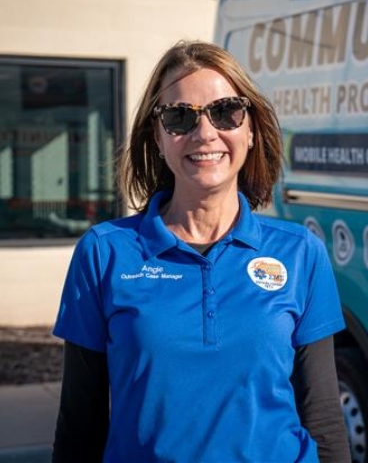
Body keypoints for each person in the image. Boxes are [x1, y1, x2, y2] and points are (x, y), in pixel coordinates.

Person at [52, 41, 350, 463]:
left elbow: (322, 418)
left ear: (250, 128)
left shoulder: (301, 253)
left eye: (226, 111)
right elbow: (79, 425)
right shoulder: (104, 253)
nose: (205, 132)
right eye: (179, 117)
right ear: (157, 137)